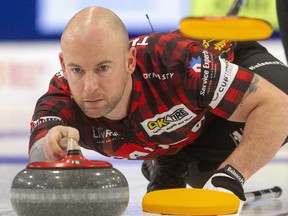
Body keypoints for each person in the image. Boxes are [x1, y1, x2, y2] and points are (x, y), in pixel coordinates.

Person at [28, 6, 288, 215]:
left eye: (103, 68)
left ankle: (177, 159)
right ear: (64, 63)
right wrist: (50, 147)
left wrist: (232, 175)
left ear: (129, 61)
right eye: (77, 70)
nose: (90, 87)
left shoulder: (175, 64)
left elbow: (279, 107)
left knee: (282, 97)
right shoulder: (61, 100)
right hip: (191, 126)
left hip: (231, 59)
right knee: (201, 181)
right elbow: (39, 152)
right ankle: (170, 159)